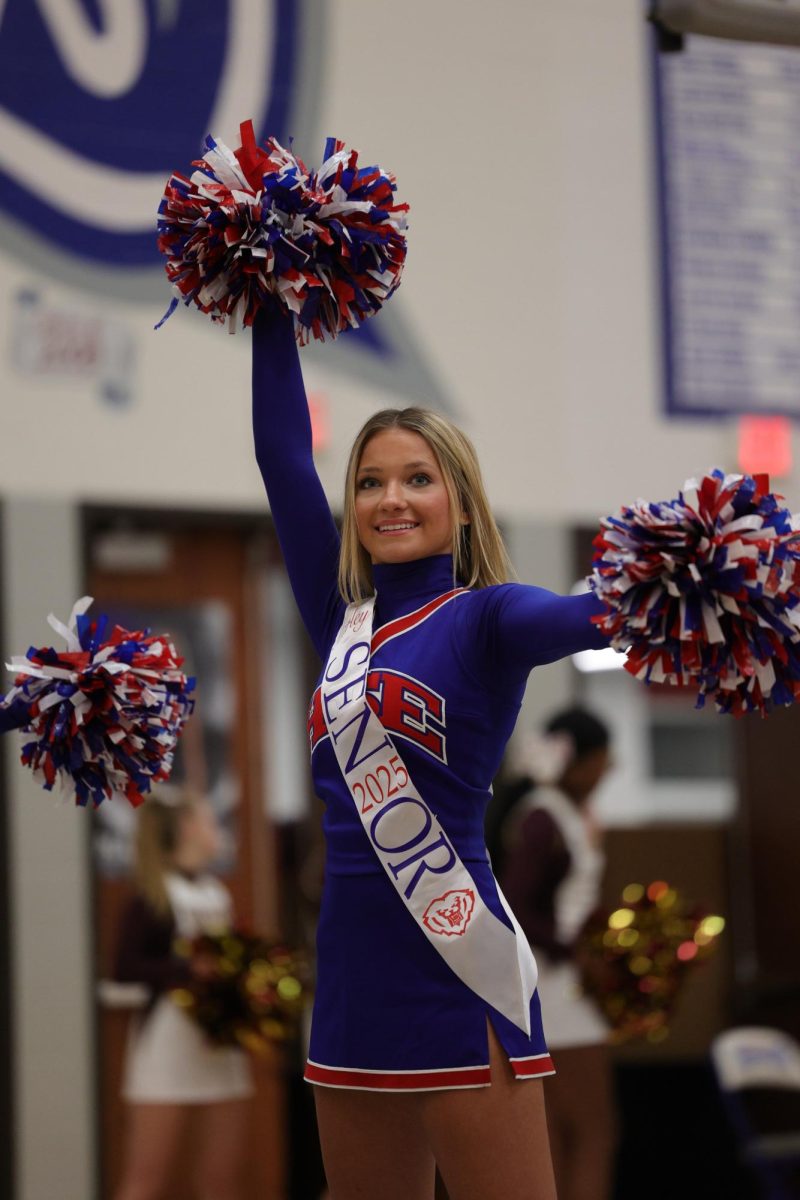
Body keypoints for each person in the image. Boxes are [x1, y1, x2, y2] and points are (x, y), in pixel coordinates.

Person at [251, 307, 611, 1200]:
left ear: (459, 498)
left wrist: (680, 577)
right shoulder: (341, 627)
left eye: (418, 478)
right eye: (370, 482)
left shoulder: (488, 618)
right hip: (350, 983)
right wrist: (266, 290)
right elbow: (284, 462)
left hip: (459, 966)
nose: (390, 499)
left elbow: (584, 614)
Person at [500, 707, 617, 1200]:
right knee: (591, 1131)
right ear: (580, 761)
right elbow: (517, 905)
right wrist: (575, 952)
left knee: (565, 1133)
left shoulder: (563, 812)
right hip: (554, 990)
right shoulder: (543, 814)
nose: (608, 772)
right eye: (604, 762)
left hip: (563, 985)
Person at [113, 788, 253, 1200]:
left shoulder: (217, 893)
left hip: (220, 1043)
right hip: (166, 1049)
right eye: (211, 821)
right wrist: (187, 971)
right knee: (145, 1181)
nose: (218, 830)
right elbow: (125, 967)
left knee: (221, 1184)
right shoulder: (154, 895)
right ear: (189, 828)